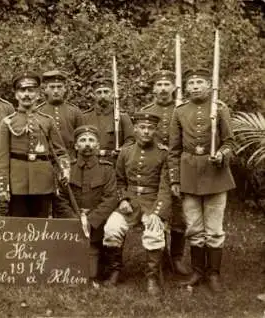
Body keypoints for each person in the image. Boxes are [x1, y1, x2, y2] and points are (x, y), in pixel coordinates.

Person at [168, 68, 235, 293]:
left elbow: (230, 143)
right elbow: (174, 150)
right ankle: (197, 271)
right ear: (186, 87)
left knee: (214, 229)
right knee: (195, 227)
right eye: (192, 83)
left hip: (216, 176)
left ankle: (213, 273)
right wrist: (175, 180)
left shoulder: (220, 108)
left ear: (209, 85)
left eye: (200, 82)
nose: (195, 86)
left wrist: (222, 155)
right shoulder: (180, 111)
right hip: (189, 176)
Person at [102, 112, 171, 296]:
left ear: (155, 130)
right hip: (130, 202)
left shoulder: (164, 153)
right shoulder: (125, 152)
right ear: (135, 129)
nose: (146, 132)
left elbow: (166, 188)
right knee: (111, 228)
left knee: (154, 232)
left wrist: (158, 212)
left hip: (152, 201)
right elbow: (119, 180)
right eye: (142, 128)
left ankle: (152, 278)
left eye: (150, 128)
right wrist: (123, 199)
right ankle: (115, 271)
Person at [0, 71, 70, 217]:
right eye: (22, 90)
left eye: (31, 90)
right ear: (16, 95)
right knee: (19, 228)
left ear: (38, 94)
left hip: (43, 182)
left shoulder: (47, 121)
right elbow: (0, 158)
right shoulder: (7, 123)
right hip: (17, 183)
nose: (26, 94)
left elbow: (60, 152)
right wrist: (2, 187)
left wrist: (64, 171)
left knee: (41, 228)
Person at [140, 70, 190, 275]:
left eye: (166, 85)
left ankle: (176, 257)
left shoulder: (183, 110)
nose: (162, 89)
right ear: (153, 89)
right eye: (159, 85)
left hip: (179, 166)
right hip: (154, 168)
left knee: (179, 212)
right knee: (158, 210)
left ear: (174, 88)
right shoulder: (147, 111)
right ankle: (158, 254)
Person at [54, 125, 117, 281]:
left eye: (91, 140)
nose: (87, 144)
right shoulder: (67, 169)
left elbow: (110, 199)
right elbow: (60, 198)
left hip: (97, 224)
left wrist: (90, 220)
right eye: (82, 140)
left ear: (97, 145)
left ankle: (106, 264)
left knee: (92, 273)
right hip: (72, 221)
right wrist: (74, 219)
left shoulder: (107, 170)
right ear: (76, 146)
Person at [82, 76, 134, 163]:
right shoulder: (85, 117)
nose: (103, 96)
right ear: (94, 95)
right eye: (99, 92)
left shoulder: (122, 116)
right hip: (91, 161)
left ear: (112, 94)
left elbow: (131, 140)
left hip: (114, 162)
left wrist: (121, 151)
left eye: (106, 92)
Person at [36, 70, 83, 153]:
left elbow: (81, 137)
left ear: (65, 89)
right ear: (45, 89)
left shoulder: (75, 111)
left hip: (70, 157)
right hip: (47, 157)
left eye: (59, 87)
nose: (56, 91)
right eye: (52, 87)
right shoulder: (38, 111)